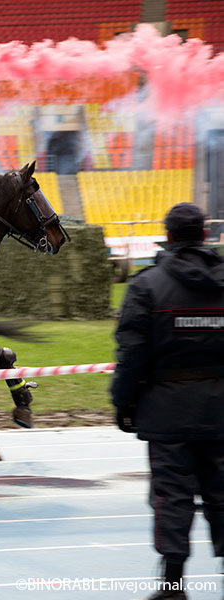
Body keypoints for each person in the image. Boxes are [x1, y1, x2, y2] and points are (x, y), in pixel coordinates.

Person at [111, 202, 224, 600]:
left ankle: (173, 587)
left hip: (167, 412)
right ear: (205, 236)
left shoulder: (147, 286)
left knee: (171, 499)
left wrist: (122, 404)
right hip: (219, 411)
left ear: (169, 236)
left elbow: (130, 354)